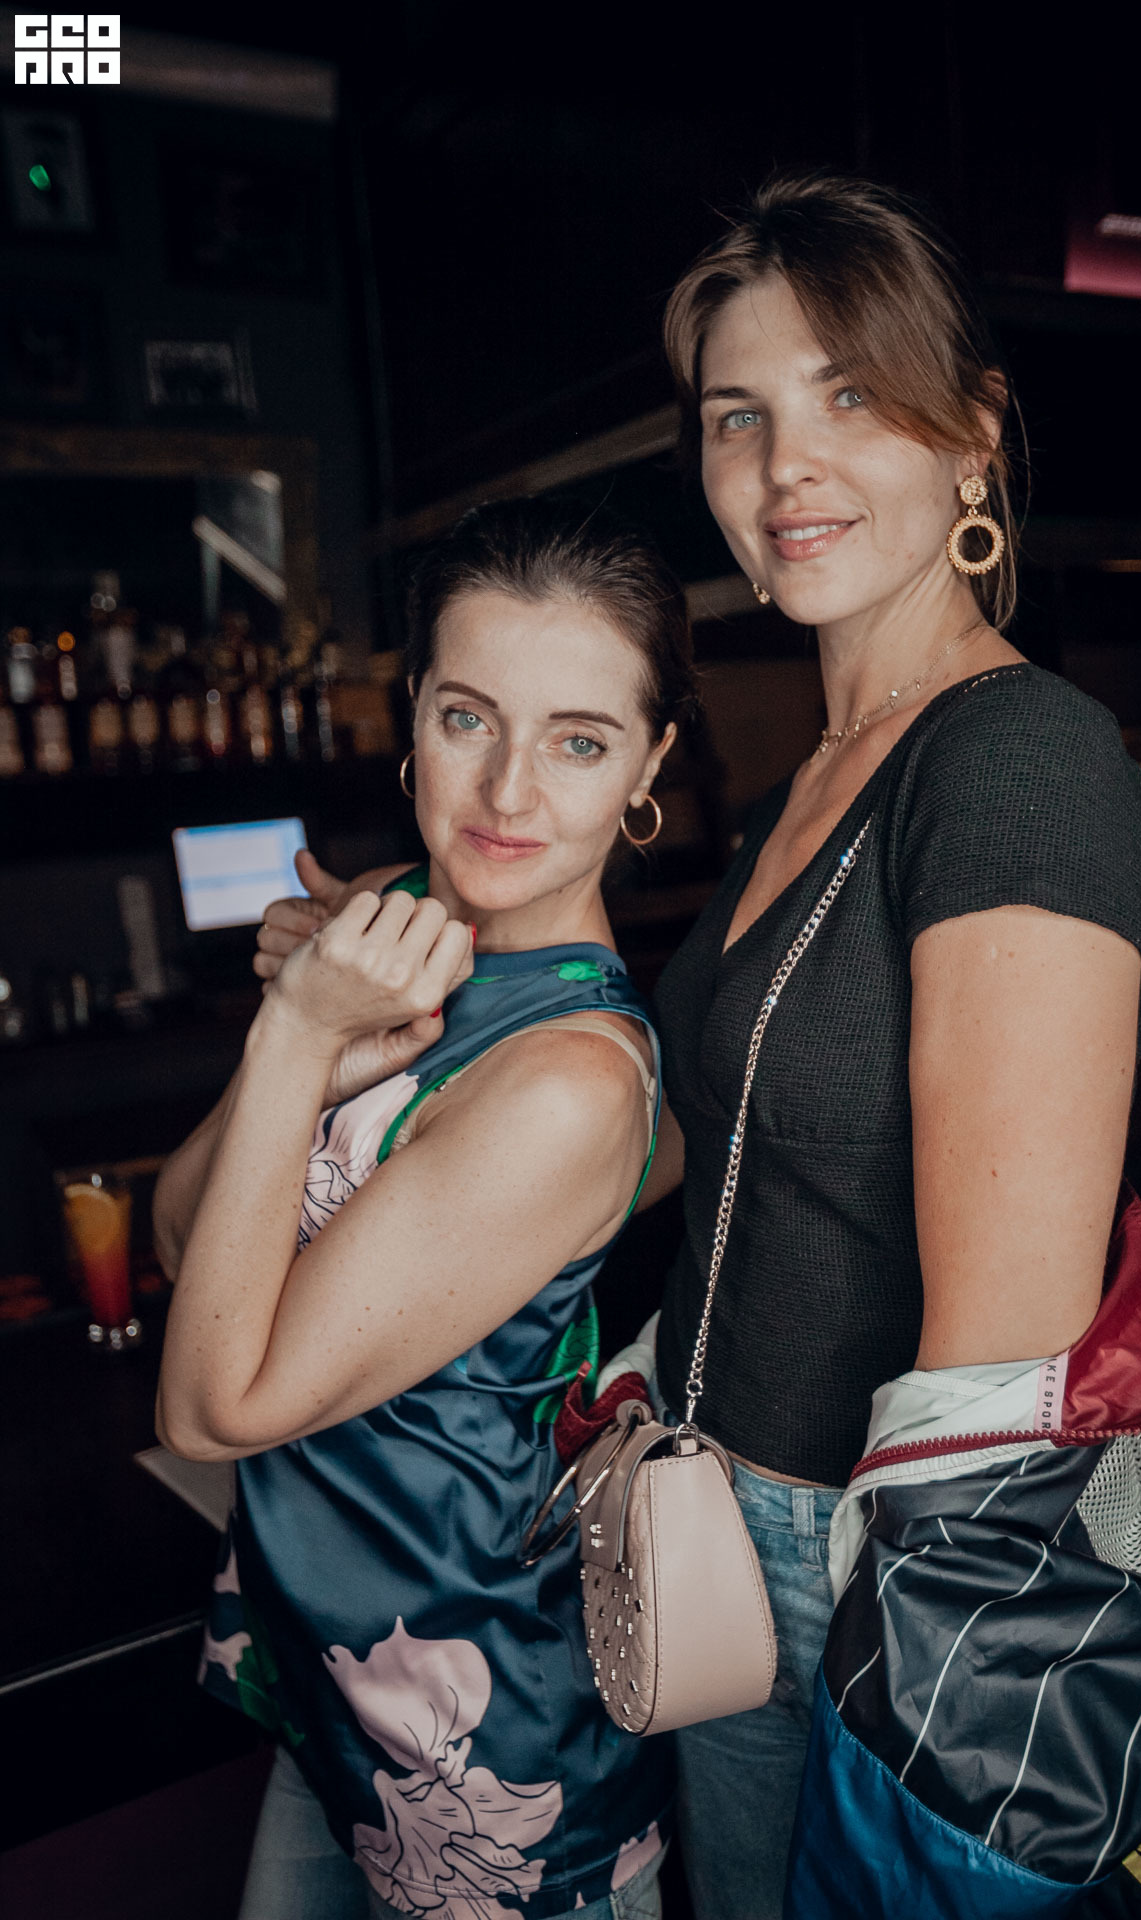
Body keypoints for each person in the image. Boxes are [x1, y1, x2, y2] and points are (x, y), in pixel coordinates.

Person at [639, 173, 1141, 1920]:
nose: (784, 465)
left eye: (849, 393)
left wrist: (900, 1682)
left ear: (974, 437)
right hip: (717, 1542)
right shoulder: (810, 783)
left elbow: (1002, 1365)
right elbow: (692, 1140)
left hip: (869, 1593)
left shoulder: (1015, 756)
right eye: (738, 414)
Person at [153, 497, 697, 1920]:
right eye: (470, 719)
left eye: (579, 741)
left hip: (488, 1765)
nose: (508, 792)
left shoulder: (571, 1079)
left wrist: (296, 1032)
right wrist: (307, 1035)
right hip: (331, 1696)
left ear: (649, 768)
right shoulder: (402, 920)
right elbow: (179, 1234)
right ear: (412, 724)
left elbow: (210, 1405)